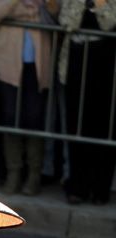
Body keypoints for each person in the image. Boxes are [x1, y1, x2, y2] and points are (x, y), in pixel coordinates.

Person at [0, 0, 59, 196]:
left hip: (38, 64)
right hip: (8, 63)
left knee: (34, 119)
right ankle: (13, 173)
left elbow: (55, 14)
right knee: (11, 117)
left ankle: (33, 175)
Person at [58, 0, 116, 205]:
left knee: (103, 127)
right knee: (76, 126)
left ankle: (100, 189)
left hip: (107, 67)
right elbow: (66, 22)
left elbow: (110, 22)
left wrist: (100, 5)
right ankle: (77, 187)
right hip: (76, 62)